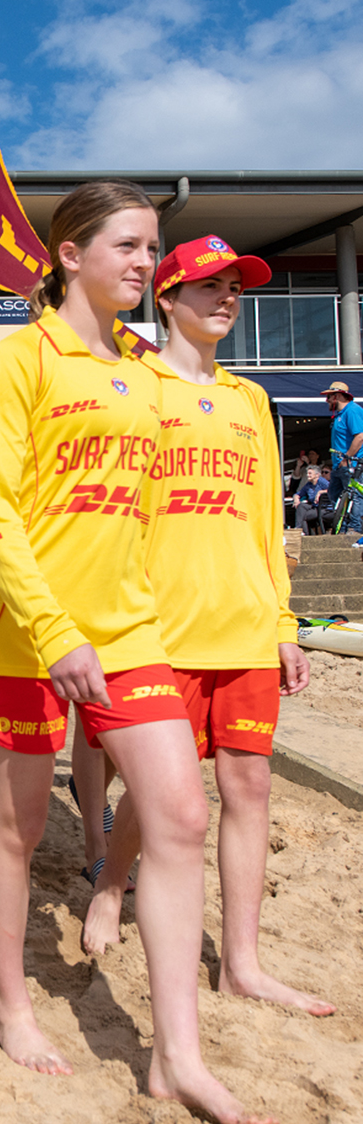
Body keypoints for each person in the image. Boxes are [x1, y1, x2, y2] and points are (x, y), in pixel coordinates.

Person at [0, 183, 276, 1124]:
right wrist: (56, 633)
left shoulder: (146, 368)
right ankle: (13, 1005)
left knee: (177, 816)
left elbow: (163, 510)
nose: (144, 262)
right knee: (15, 826)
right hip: (24, 634)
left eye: (152, 248)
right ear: (70, 255)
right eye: (128, 246)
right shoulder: (20, 359)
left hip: (134, 631)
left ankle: (176, 1056)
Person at [83, 234, 336, 1024]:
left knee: (249, 787)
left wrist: (286, 623)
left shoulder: (251, 400)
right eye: (207, 288)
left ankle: (243, 964)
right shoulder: (134, 387)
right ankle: (111, 882)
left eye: (235, 288)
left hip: (246, 626)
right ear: (166, 297)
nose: (226, 299)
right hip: (158, 628)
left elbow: (265, 523)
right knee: (163, 795)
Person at [322, 381, 363, 541]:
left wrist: (347, 458)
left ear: (337, 396)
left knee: (354, 495)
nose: (327, 401)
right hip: (339, 465)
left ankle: (354, 528)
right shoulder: (339, 415)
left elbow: (360, 436)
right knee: (335, 495)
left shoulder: (352, 411)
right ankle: (342, 527)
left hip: (351, 463)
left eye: (329, 397)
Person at [293, 463, 330, 533]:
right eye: (307, 473)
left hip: (324, 508)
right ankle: (299, 529)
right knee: (301, 506)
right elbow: (298, 494)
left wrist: (320, 492)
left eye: (310, 473)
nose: (307, 475)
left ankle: (301, 531)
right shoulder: (308, 485)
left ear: (317, 475)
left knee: (303, 516)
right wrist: (296, 499)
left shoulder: (321, 481)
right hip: (314, 507)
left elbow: (332, 489)